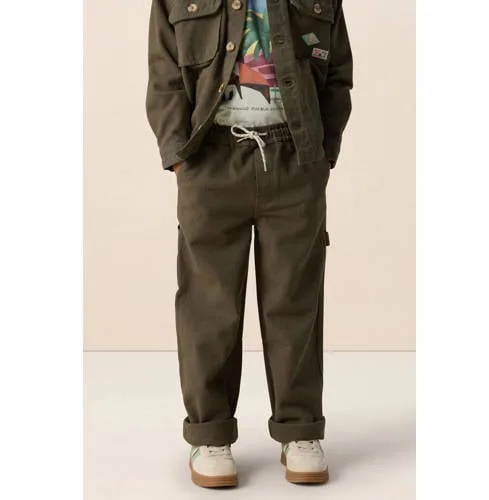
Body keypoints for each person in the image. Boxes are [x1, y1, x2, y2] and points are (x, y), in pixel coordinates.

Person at [146, 0, 352, 488]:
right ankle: (210, 433)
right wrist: (180, 157)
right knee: (208, 305)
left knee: (295, 301)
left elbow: (338, 74)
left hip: (295, 159)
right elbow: (164, 74)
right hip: (209, 158)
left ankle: (300, 430)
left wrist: (322, 154)